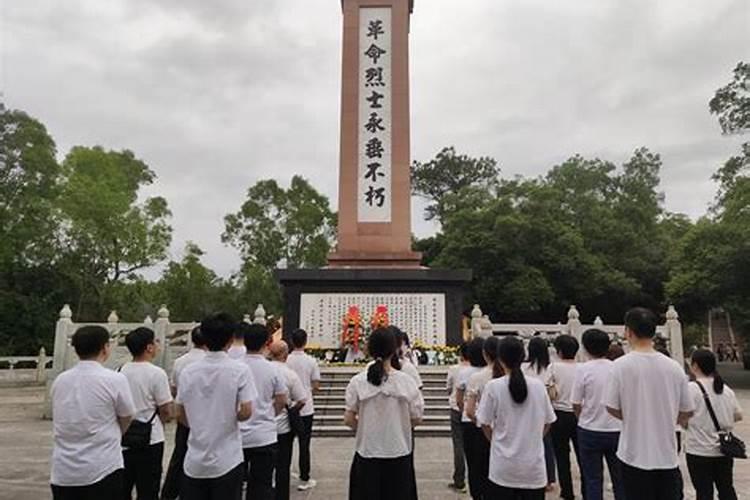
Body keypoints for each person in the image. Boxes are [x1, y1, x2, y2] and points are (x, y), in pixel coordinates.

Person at [605, 307, 695, 500]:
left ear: (627, 331)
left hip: (632, 454)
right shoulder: (674, 367)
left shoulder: (619, 367)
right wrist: (667, 417)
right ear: (654, 332)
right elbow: (687, 410)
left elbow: (611, 406)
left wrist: (633, 415)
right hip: (667, 455)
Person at [175, 313, 257, 500]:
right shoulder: (239, 370)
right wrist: (228, 417)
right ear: (230, 340)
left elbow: (178, 412)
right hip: (227, 458)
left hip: (195, 460)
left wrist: (199, 423)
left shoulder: (188, 371)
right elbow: (246, 410)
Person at [50, 325, 136, 500]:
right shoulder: (114, 380)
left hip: (64, 470)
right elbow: (127, 415)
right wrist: (116, 433)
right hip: (102, 467)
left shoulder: (61, 380)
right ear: (105, 348)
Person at [345, 327, 424, 500]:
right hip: (398, 452)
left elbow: (349, 420)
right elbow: (417, 419)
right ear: (395, 349)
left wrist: (367, 429)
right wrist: (397, 425)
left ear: (369, 350)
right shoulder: (407, 382)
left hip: (367, 453)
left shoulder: (357, 382)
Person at [477, 336, 557, 499]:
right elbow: (548, 421)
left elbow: (484, 422)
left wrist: (496, 440)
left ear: (500, 358)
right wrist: (534, 438)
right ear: (523, 357)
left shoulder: (493, 387)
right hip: (533, 468)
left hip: (503, 467)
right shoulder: (538, 386)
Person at [120, 327, 173, 500]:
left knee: (124, 484)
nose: (158, 345)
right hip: (151, 437)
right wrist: (165, 419)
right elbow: (166, 409)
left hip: (125, 435)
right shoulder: (157, 374)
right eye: (156, 342)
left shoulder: (121, 370)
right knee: (148, 488)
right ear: (149, 347)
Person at [571, 329, 624, 500]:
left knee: (592, 479)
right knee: (620, 479)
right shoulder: (618, 368)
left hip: (590, 429)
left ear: (585, 348)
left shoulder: (583, 370)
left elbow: (576, 402)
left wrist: (583, 418)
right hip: (617, 428)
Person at [685, 349, 743, 500]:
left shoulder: (691, 389)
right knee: (726, 489)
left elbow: (682, 417)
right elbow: (738, 415)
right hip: (723, 450)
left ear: (695, 365)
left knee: (704, 492)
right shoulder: (726, 389)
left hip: (699, 450)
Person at [239, 322, 288, 500]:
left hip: (237, 436)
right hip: (264, 436)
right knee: (262, 485)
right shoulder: (273, 369)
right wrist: (269, 413)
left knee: (235, 485)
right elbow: (282, 399)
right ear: (267, 342)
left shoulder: (235, 366)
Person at [161, 326, 207, 500]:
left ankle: (169, 493)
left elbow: (173, 389)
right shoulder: (212, 362)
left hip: (185, 416)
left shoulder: (181, 361)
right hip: (207, 418)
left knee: (180, 454)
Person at [268, 340, 307, 500]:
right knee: (283, 468)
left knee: (262, 469)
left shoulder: (263, 371)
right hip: (283, 428)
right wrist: (290, 409)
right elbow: (302, 399)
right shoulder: (290, 374)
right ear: (285, 354)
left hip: (262, 427)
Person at [464, 336, 501, 500]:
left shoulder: (477, 377)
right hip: (503, 429)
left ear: (485, 354)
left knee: (477, 468)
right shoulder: (509, 377)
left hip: (480, 430)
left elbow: (469, 410)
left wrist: (480, 421)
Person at [549, 334, 584, 500]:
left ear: (559, 351)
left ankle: (567, 491)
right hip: (579, 415)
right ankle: (586, 489)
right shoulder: (582, 368)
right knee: (582, 455)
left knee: (561, 456)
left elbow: (550, 391)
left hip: (559, 414)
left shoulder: (554, 367)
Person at [286, 328, 321, 491]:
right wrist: (306, 391)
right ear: (305, 341)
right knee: (304, 443)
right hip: (306, 407)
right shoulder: (311, 361)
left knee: (285, 443)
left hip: (288, 407)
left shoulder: (286, 360)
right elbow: (316, 384)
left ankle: (282, 473)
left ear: (292, 341)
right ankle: (304, 476)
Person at [523, 336, 556, 492]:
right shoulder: (549, 368)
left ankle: (528, 475)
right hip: (545, 410)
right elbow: (552, 392)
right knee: (546, 444)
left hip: (526, 409)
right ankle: (549, 479)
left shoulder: (524, 368)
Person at [455, 337, 486, 500]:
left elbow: (459, 399)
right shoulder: (491, 372)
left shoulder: (464, 372)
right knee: (487, 461)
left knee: (473, 462)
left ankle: (476, 494)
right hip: (487, 423)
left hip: (469, 421)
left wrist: (464, 411)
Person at [446, 342, 469, 493]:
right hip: (473, 410)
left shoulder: (454, 369)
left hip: (457, 409)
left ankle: (459, 480)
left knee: (458, 445)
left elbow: (448, 388)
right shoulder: (479, 371)